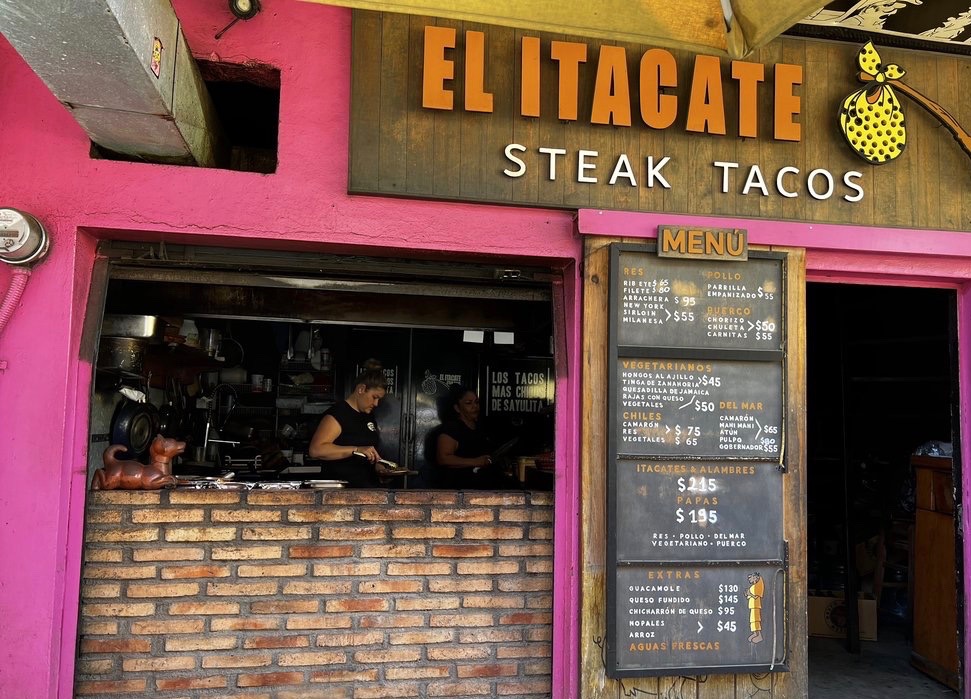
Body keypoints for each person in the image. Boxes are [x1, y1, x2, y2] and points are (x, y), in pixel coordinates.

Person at [308, 359, 392, 488]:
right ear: (361, 389)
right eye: (374, 397)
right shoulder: (337, 414)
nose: (376, 404)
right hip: (341, 491)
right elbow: (316, 450)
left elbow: (367, 454)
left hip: (366, 490)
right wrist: (356, 450)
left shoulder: (368, 416)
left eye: (379, 399)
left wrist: (379, 467)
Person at [435, 386, 496, 489]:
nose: (475, 406)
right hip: (460, 491)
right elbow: (443, 458)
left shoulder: (480, 428)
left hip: (482, 490)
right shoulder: (452, 428)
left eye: (476, 402)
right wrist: (476, 462)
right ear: (457, 408)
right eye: (469, 403)